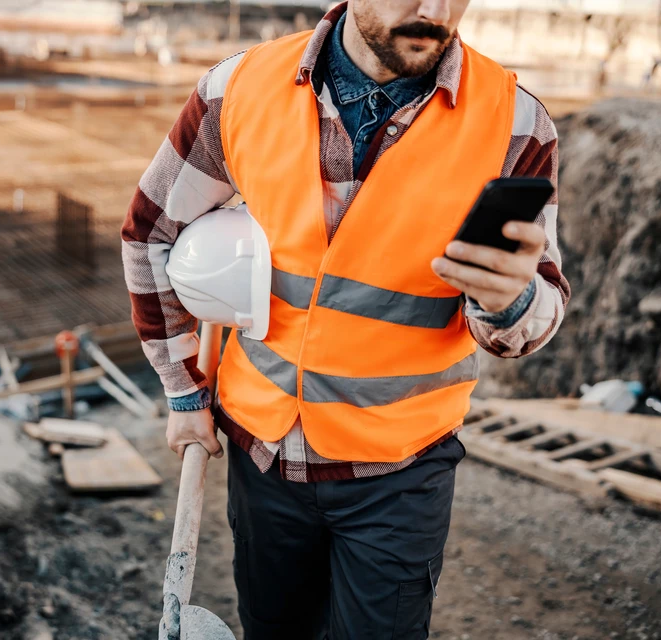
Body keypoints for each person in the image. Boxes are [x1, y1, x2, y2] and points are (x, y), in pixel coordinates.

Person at [121, 1, 570, 638]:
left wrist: (510, 302)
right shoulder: (240, 88)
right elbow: (150, 235)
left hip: (401, 471)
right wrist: (184, 390)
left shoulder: (515, 122)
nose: (433, 10)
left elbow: (536, 310)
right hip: (263, 457)